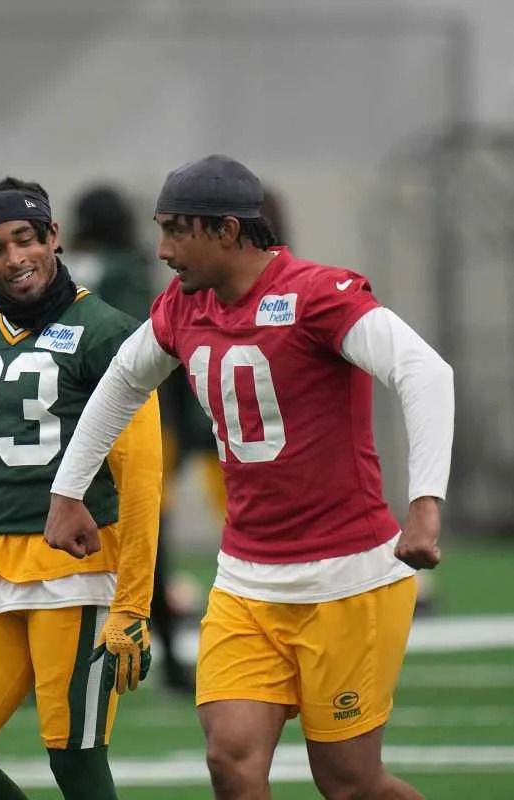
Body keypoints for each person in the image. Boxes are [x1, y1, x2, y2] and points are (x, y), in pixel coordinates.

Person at [44, 154, 454, 800]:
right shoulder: (183, 306)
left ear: (227, 231)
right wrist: (68, 491)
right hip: (246, 580)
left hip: (345, 578)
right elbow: (123, 380)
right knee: (230, 761)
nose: (163, 249)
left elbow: (424, 373)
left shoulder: (316, 294)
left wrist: (424, 503)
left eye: (177, 230)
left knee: (348, 783)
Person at [0, 177, 162, 800]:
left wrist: (134, 605)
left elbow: (142, 475)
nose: (14, 258)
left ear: (53, 237)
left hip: (78, 572)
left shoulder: (106, 331)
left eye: (25, 239)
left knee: (75, 764)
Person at [68, 183, 195, 693]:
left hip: (65, 419)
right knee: (147, 542)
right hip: (133, 420)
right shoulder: (126, 272)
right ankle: (166, 656)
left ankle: (53, 664)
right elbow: (149, 349)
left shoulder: (65, 267)